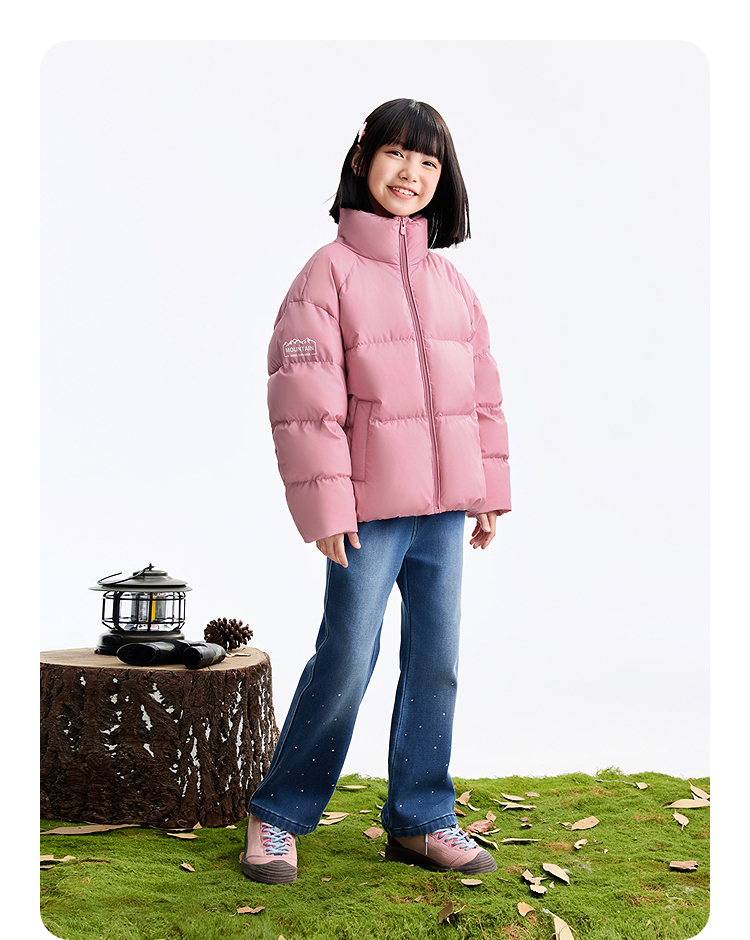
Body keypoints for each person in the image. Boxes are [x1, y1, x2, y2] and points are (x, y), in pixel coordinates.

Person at [241, 98, 511, 885]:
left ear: (443, 178)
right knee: (347, 656)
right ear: (362, 160)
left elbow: (482, 396)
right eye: (397, 153)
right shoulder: (326, 275)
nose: (411, 172)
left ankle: (420, 818)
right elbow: (304, 401)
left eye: (429, 161)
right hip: (366, 513)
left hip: (443, 512)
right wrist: (327, 507)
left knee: (437, 662)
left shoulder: (451, 282)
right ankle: (278, 812)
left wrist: (488, 490)